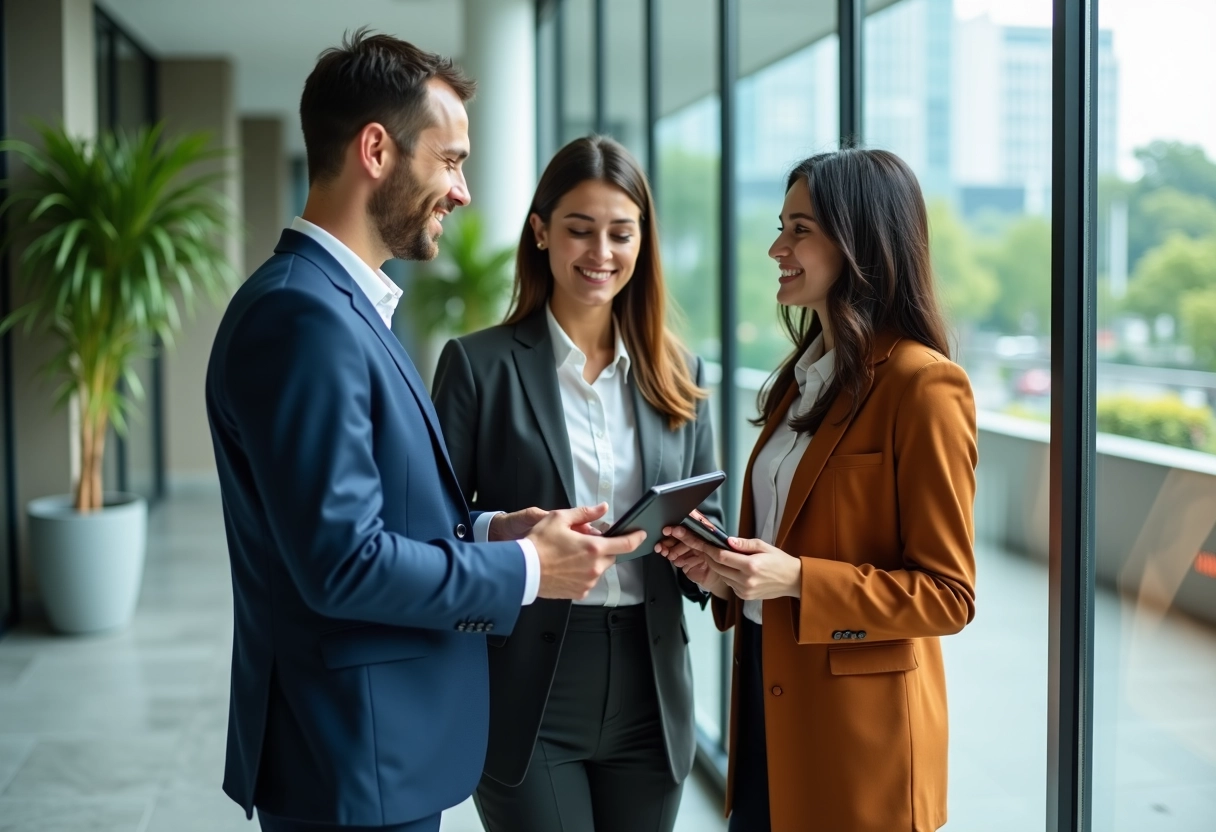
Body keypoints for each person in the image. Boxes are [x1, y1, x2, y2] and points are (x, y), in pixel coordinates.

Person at [205, 32, 646, 832]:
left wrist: (489, 529)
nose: (463, 191)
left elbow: (368, 516)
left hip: (371, 749)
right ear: (377, 150)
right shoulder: (302, 317)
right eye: (450, 161)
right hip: (350, 755)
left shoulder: (343, 306)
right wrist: (526, 568)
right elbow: (341, 564)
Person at [658, 148, 978, 832]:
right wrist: (727, 574)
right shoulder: (800, 380)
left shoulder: (923, 385)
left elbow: (948, 596)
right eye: (782, 227)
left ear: (860, 241)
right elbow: (783, 547)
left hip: (860, 744)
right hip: (764, 701)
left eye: (799, 230)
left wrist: (798, 578)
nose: (778, 248)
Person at [431, 136, 723, 832]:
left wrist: (706, 555)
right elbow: (434, 528)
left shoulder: (680, 372)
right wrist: (513, 537)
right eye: (580, 229)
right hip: (529, 688)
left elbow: (706, 517)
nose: (601, 253)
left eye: (621, 233)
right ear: (541, 232)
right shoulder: (477, 365)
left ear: (642, 241)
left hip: (651, 690)